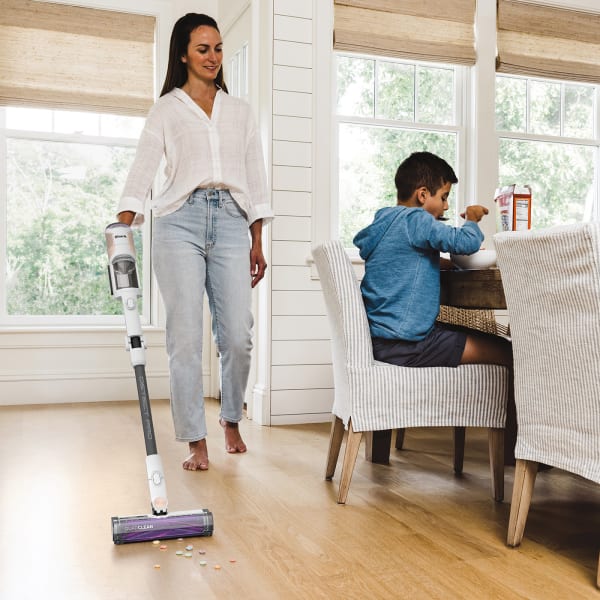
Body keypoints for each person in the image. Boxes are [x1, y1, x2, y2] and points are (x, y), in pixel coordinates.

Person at [116, 13, 273, 472]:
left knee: (238, 336)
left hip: (230, 221)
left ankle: (229, 418)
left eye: (218, 48)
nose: (213, 57)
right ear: (183, 53)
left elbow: (255, 178)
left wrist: (256, 238)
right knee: (184, 338)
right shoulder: (166, 108)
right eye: (203, 49)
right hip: (177, 222)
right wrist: (122, 223)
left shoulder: (239, 111)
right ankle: (194, 438)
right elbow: (145, 167)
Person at [353, 151, 512, 371]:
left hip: (382, 341)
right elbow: (465, 242)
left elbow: (405, 262)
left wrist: (447, 264)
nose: (446, 206)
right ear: (423, 195)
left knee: (477, 337)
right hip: (407, 345)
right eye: (444, 197)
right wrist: (473, 219)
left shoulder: (385, 223)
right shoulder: (415, 218)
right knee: (507, 350)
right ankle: (518, 407)